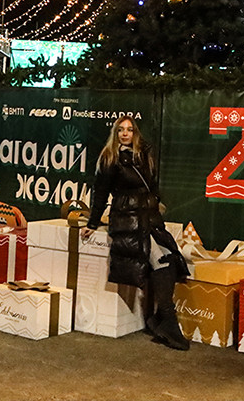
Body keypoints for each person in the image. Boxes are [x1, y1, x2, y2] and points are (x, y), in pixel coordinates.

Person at [81, 115, 189, 350]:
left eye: (129, 129)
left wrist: (156, 202)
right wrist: (93, 223)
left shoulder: (144, 155)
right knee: (161, 260)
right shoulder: (110, 158)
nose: (125, 133)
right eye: (121, 130)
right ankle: (167, 320)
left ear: (135, 133)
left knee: (170, 258)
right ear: (116, 133)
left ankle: (162, 318)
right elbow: (100, 193)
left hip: (150, 217)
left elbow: (153, 185)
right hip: (128, 219)